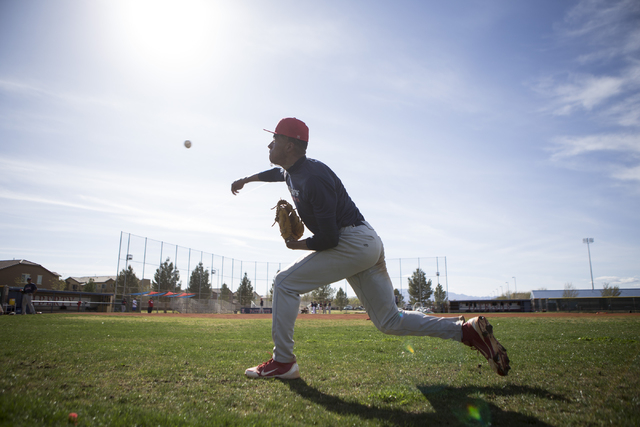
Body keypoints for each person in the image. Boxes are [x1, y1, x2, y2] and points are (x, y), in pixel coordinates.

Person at [231, 117, 510, 380]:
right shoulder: (294, 171)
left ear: (290, 145)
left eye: (275, 139)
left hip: (351, 242)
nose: (270, 144)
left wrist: (296, 245)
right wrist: (247, 180)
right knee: (390, 321)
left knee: (284, 283)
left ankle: (283, 362)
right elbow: (275, 174)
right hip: (365, 242)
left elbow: (329, 239)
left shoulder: (313, 178)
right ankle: (466, 331)